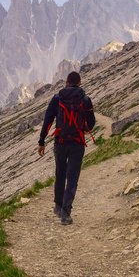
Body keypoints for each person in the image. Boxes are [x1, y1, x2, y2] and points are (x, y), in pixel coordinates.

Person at [38, 71, 96, 225]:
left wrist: (41, 141)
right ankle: (66, 213)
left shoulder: (57, 98)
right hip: (77, 143)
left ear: (66, 82)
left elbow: (48, 121)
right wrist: (83, 129)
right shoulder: (85, 99)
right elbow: (91, 122)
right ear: (80, 83)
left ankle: (57, 206)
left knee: (60, 173)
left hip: (60, 142)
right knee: (72, 178)